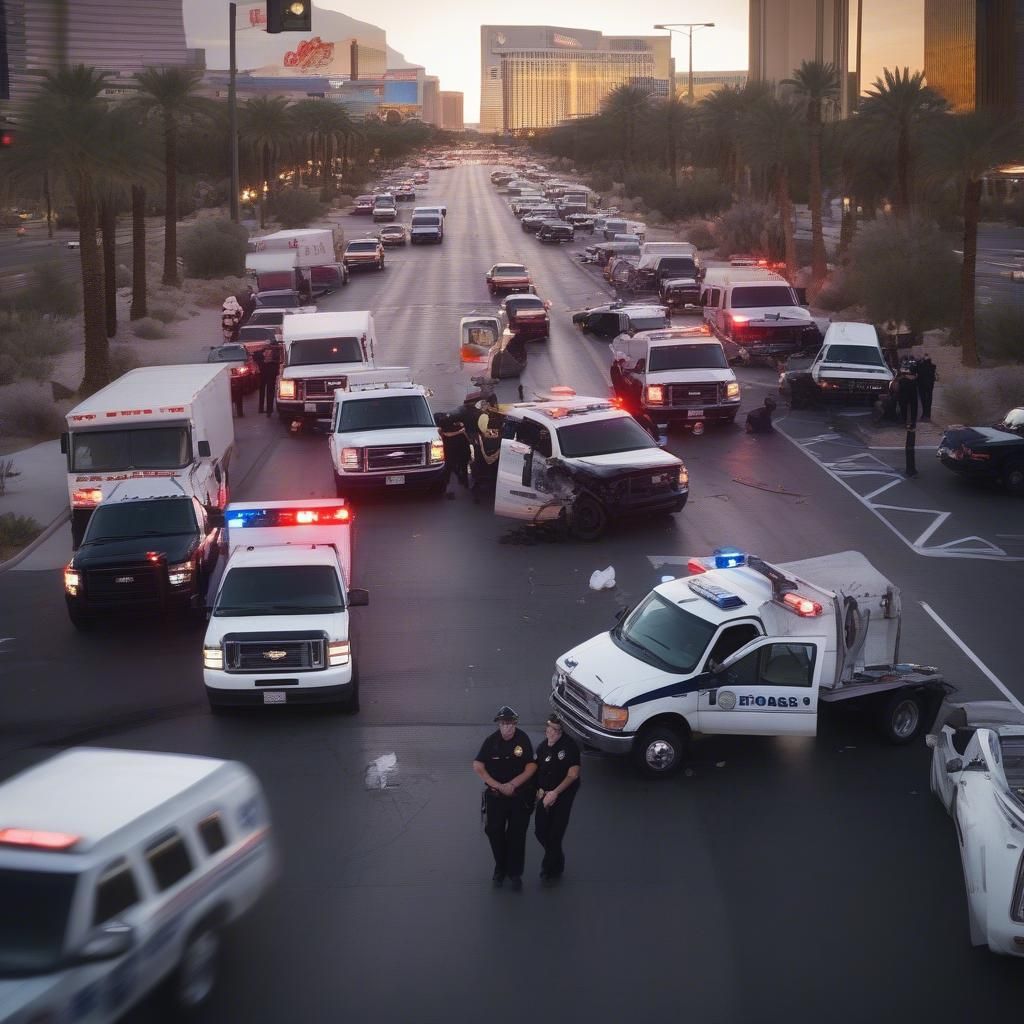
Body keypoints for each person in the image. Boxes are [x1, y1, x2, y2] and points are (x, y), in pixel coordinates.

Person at [473, 706, 536, 890]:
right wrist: (498, 785)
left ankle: (515, 873)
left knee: (517, 835)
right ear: (499, 725)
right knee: (494, 832)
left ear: (515, 724)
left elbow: (531, 767)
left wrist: (513, 785)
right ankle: (500, 867)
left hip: (519, 796)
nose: (507, 727)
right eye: (503, 724)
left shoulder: (522, 739)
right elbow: (477, 765)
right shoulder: (491, 742)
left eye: (510, 724)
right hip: (496, 796)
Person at [533, 714, 581, 885]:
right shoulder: (542, 747)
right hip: (543, 794)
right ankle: (556, 857)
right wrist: (538, 791)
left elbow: (573, 774)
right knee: (540, 831)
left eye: (555, 730)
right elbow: (536, 770)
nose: (550, 732)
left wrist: (555, 793)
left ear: (561, 731)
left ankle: (550, 869)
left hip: (563, 795)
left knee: (555, 834)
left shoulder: (570, 747)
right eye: (549, 728)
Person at [437, 414, 470, 492]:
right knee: (460, 466)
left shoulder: (445, 426)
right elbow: (445, 434)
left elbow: (443, 433)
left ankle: (451, 486)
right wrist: (460, 432)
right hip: (457, 448)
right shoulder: (460, 426)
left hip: (453, 449)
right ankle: (464, 482)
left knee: (451, 467)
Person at [257, 339, 282, 416]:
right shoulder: (277, 350)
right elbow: (279, 361)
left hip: (263, 370)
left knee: (262, 389)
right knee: (270, 391)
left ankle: (261, 408)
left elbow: (257, 358)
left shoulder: (262, 350)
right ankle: (269, 410)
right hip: (271, 370)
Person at [896, 357, 919, 428]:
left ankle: (910, 421)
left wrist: (905, 376)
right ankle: (908, 421)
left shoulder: (913, 367)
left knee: (910, 406)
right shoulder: (902, 369)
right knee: (907, 406)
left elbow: (915, 376)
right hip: (906, 389)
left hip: (907, 388)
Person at [916, 354, 937, 422]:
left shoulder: (920, 366)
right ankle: (928, 415)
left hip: (922, 385)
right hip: (930, 386)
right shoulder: (933, 366)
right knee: (929, 400)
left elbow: (916, 367)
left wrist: (920, 360)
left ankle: (924, 415)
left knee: (924, 400)